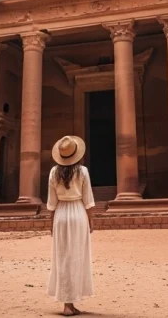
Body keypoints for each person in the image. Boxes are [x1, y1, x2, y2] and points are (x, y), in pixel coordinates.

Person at [47, 135, 95, 316]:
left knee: (63, 258)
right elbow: (88, 199)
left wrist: (50, 223)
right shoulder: (82, 171)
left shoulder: (53, 172)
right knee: (76, 257)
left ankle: (68, 303)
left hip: (60, 214)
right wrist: (92, 221)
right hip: (78, 213)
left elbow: (51, 202)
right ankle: (70, 303)